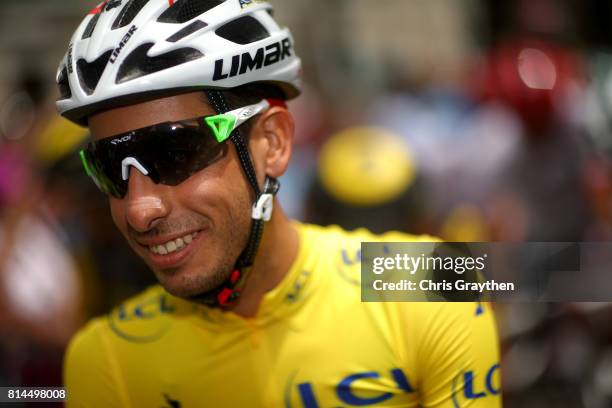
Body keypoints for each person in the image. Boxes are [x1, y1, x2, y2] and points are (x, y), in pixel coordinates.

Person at [57, 1, 501, 406]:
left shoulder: (432, 280)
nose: (139, 209)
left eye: (174, 153)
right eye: (109, 164)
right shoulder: (104, 357)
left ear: (272, 142)